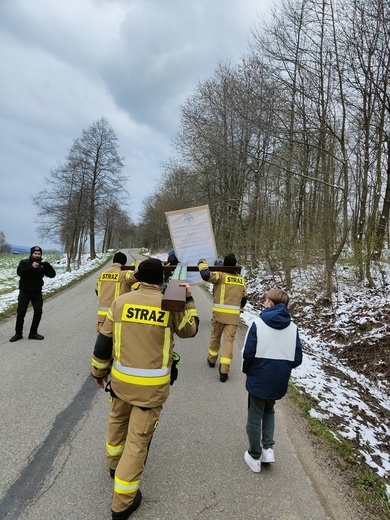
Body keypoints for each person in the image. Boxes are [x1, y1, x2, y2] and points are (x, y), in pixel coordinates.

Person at [91, 257, 199, 520]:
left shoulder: (120, 302)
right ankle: (122, 503)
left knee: (117, 422)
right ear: (161, 280)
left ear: (137, 278)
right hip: (150, 391)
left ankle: (114, 466)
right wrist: (189, 300)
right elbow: (190, 330)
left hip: (120, 383)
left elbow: (103, 343)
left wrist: (98, 372)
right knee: (138, 441)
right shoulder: (168, 306)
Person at [241, 288, 303, 473]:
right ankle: (268, 449)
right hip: (279, 378)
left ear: (271, 304)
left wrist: (248, 371)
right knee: (269, 411)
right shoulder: (293, 328)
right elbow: (297, 358)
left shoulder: (258, 324)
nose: (264, 302)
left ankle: (254, 456)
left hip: (259, 376)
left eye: (265, 299)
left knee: (254, 415)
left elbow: (248, 353)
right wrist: (281, 369)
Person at [198, 253, 247, 382]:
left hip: (219, 315)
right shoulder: (241, 280)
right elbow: (244, 299)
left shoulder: (221, 276)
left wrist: (202, 263)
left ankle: (212, 360)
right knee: (228, 341)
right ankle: (224, 371)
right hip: (233, 317)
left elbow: (205, 275)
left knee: (215, 337)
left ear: (224, 264)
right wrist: (239, 310)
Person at [9, 246, 56, 342]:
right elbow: (20, 273)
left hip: (37, 293)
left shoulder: (43, 265)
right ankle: (18, 334)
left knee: (38, 312)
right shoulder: (24, 263)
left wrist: (45, 267)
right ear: (31, 254)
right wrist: (31, 267)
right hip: (24, 292)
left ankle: (33, 333)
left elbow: (52, 275)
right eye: (35, 254)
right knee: (21, 313)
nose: (37, 255)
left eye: (39, 254)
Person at [95, 251, 131, 333]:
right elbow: (138, 275)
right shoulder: (124, 274)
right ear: (124, 263)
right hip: (117, 315)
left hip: (102, 316)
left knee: (102, 341)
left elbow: (97, 291)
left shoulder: (102, 274)